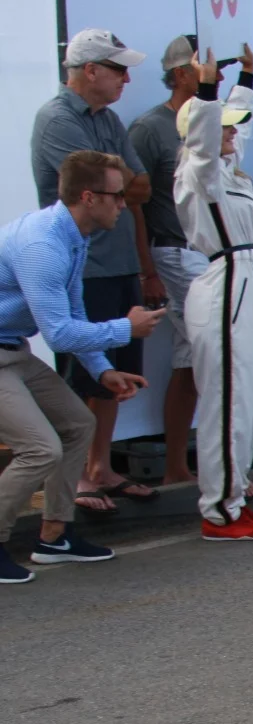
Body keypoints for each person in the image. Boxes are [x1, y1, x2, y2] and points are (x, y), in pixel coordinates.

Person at [0, 150, 161, 582]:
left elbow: (74, 314)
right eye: (117, 196)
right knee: (40, 448)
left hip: (10, 349)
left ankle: (54, 537)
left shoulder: (72, 236)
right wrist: (126, 329)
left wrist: (102, 370)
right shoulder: (42, 246)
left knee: (77, 424)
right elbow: (58, 335)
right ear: (88, 197)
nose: (124, 204)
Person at [31, 28, 160, 515]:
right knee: (83, 373)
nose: (127, 79)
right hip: (84, 266)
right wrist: (121, 185)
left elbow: (138, 188)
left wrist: (121, 189)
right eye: (118, 69)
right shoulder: (56, 119)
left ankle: (100, 466)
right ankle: (77, 476)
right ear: (90, 70)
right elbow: (110, 186)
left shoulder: (107, 119)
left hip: (118, 261)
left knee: (115, 372)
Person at [130, 35, 253, 487]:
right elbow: (134, 202)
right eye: (209, 70)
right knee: (214, 358)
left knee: (193, 361)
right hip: (177, 252)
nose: (217, 76)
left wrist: (248, 79)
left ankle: (188, 467)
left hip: (205, 256)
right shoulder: (150, 128)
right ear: (183, 73)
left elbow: (236, 132)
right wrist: (147, 269)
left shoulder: (219, 126)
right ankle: (217, 473)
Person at [173, 50, 253, 541]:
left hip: (246, 279)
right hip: (226, 283)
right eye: (223, 127)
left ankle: (234, 496)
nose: (233, 132)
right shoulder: (200, 173)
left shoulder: (228, 170)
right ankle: (219, 510)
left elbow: (241, 129)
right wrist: (207, 90)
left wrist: (246, 78)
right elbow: (203, 141)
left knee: (245, 394)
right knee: (227, 399)